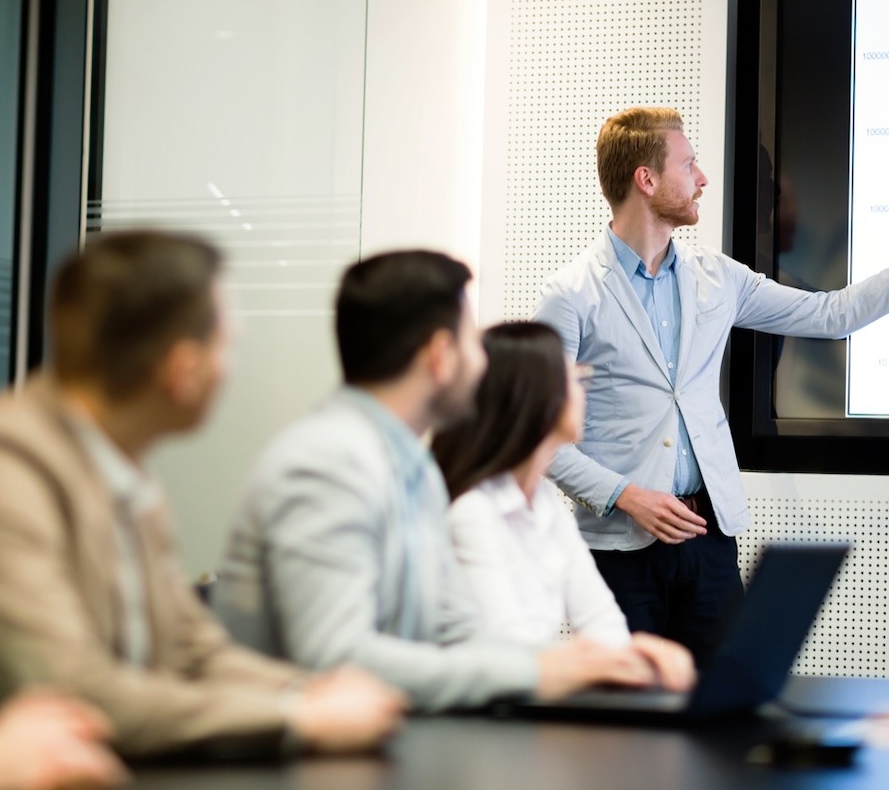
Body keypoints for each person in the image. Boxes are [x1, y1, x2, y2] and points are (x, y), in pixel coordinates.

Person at [0, 231, 403, 759]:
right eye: (229, 346)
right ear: (183, 370)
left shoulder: (125, 470)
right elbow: (72, 692)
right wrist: (298, 717)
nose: (232, 367)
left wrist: (307, 691)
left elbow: (190, 650)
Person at [533, 106, 889, 662]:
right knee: (628, 722)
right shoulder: (570, 295)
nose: (702, 177)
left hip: (708, 539)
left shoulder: (717, 277)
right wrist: (625, 497)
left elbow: (832, 314)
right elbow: (538, 439)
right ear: (646, 179)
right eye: (689, 163)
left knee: (728, 709)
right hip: (617, 551)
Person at [212, 249, 680, 711]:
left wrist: (612, 663)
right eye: (473, 344)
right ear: (441, 357)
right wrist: (547, 670)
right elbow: (335, 658)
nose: (483, 364)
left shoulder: (411, 472)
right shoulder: (328, 464)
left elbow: (459, 633)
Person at [432, 321, 694, 688]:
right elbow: (510, 656)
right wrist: (610, 662)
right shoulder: (472, 512)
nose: (585, 389)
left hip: (529, 709)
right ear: (533, 396)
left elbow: (603, 624)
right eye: (575, 377)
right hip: (483, 722)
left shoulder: (543, 505)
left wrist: (639, 657)